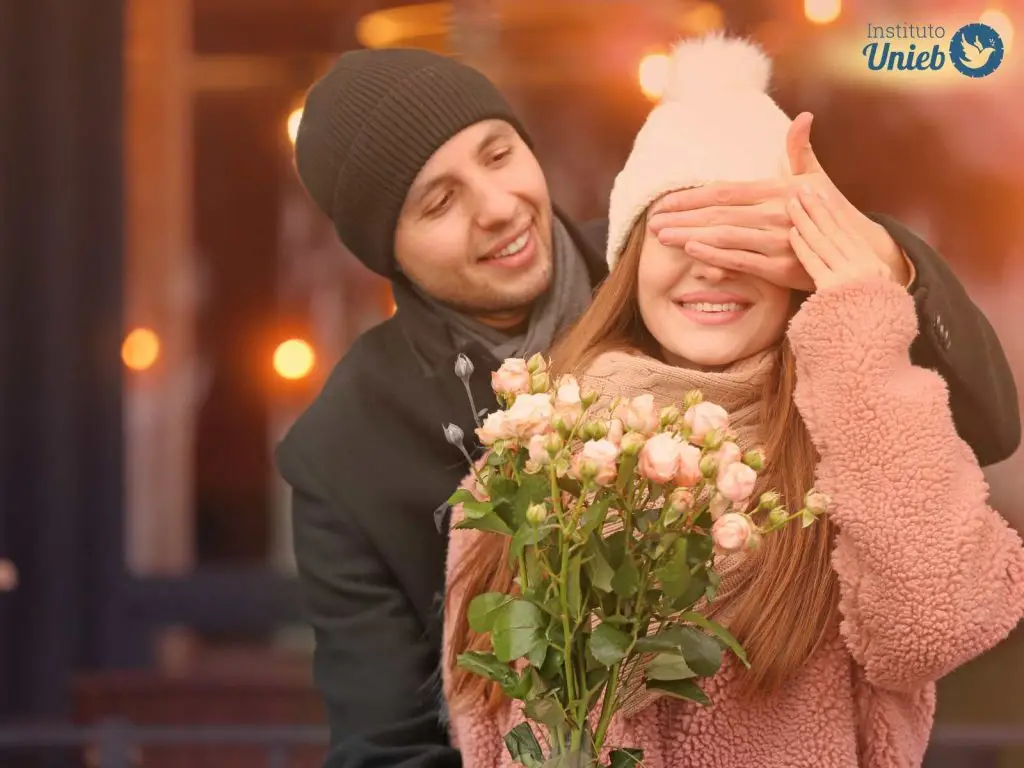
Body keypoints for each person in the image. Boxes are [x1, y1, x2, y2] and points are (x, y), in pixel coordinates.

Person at [276, 46, 1020, 768]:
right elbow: (388, 737)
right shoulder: (355, 448)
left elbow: (968, 440)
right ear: (390, 253)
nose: (499, 207)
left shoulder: (677, 252)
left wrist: (878, 271)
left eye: (499, 155)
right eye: (440, 201)